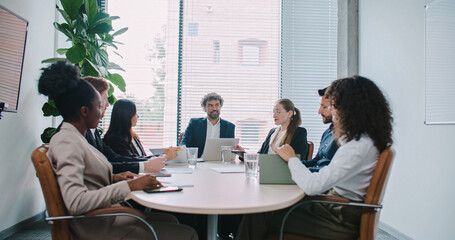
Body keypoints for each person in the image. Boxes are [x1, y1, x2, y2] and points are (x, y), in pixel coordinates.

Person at [38, 61, 198, 239]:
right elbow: (76, 202)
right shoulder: (67, 141)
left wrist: (115, 177)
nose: (103, 111)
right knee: (188, 233)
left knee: (172, 221)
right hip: (98, 228)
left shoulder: (75, 137)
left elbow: (86, 178)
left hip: (104, 218)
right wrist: (129, 185)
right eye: (99, 106)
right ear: (84, 111)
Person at [237, 76, 393, 240]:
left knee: (259, 213)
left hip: (336, 218)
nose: (328, 111)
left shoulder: (357, 147)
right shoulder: (366, 141)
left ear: (350, 108)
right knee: (264, 209)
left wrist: (291, 158)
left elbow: (312, 186)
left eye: (333, 106)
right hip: (336, 207)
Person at [83, 76, 177, 174]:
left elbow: (114, 158)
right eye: (105, 98)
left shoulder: (94, 132)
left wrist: (151, 162)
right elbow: (104, 166)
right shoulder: (83, 133)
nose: (107, 104)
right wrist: (149, 164)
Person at [236, 98, 308, 160]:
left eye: (277, 112)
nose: (274, 116)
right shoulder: (273, 132)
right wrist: (243, 154)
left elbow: (299, 159)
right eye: (273, 112)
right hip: (266, 169)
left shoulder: (299, 132)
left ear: (289, 113)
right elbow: (260, 155)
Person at [180, 92, 235, 158]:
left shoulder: (229, 127)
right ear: (205, 108)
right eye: (210, 105)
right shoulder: (194, 124)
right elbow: (184, 143)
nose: (214, 108)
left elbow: (231, 149)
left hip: (220, 163)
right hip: (199, 162)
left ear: (220, 107)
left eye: (217, 105)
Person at [301, 87, 339, 171]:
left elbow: (330, 172)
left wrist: (299, 170)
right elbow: (316, 161)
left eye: (324, 107)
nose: (319, 111)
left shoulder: (346, 137)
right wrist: (291, 164)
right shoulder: (327, 133)